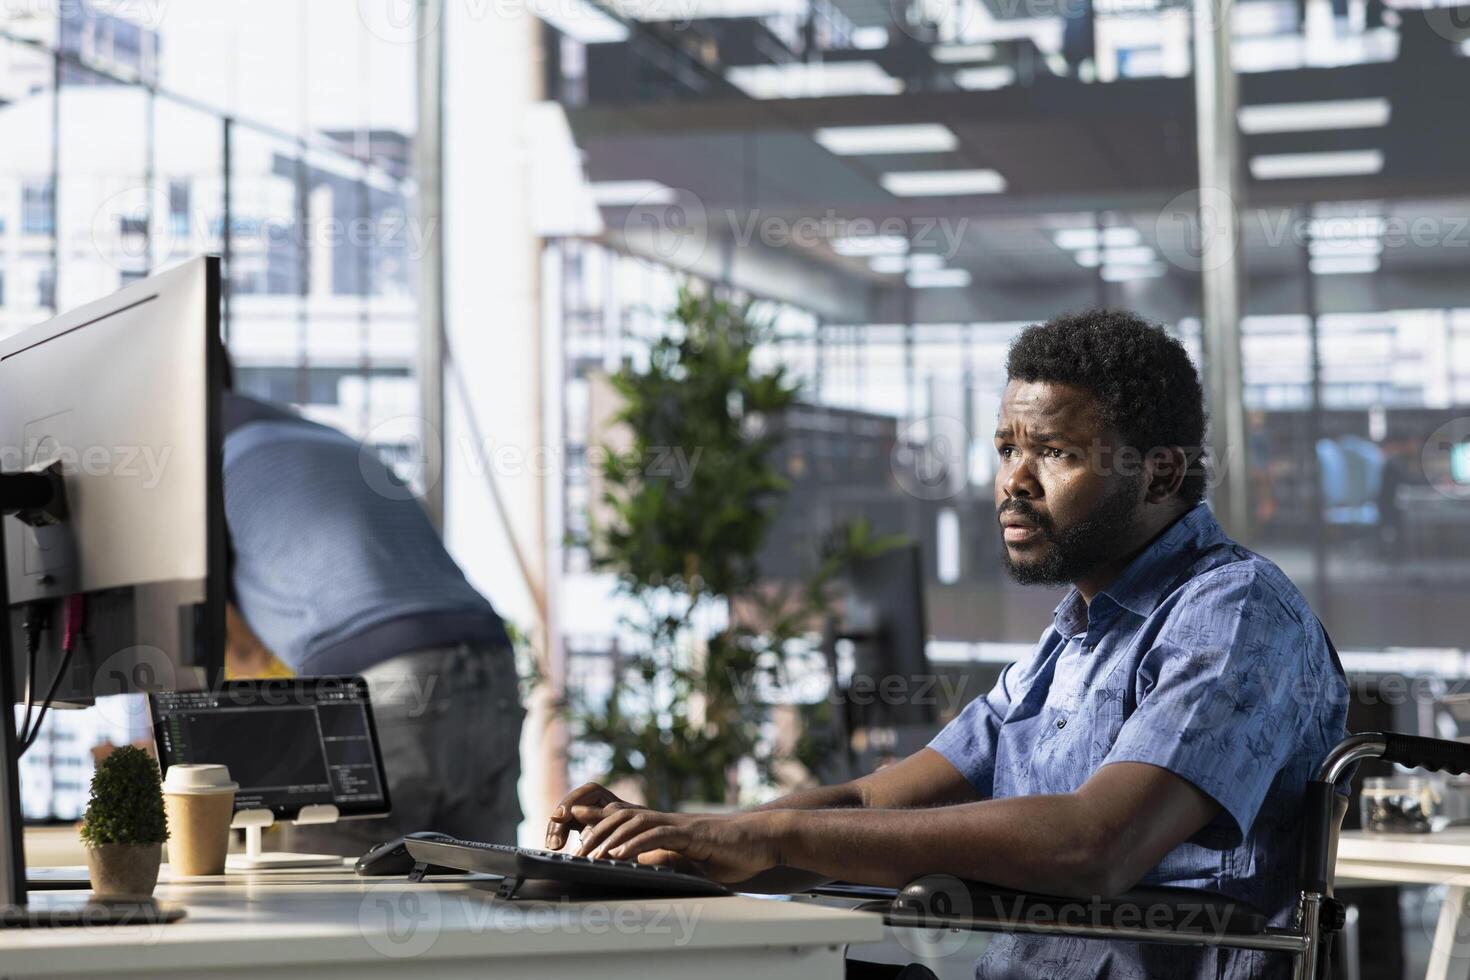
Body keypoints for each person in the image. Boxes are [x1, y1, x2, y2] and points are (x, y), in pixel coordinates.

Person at [545, 310, 1349, 979]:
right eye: (1007, 449)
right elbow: (870, 803)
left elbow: (1095, 844)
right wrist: (683, 840)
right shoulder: (1067, 642)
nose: (1014, 481)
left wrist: (767, 837)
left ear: (1161, 474)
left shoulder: (1234, 613)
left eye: (1056, 453)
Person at [221, 379, 524, 856]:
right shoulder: (317, 435)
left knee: (334, 902)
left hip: (379, 683)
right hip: (488, 662)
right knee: (481, 895)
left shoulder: (194, 464)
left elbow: (240, 656)